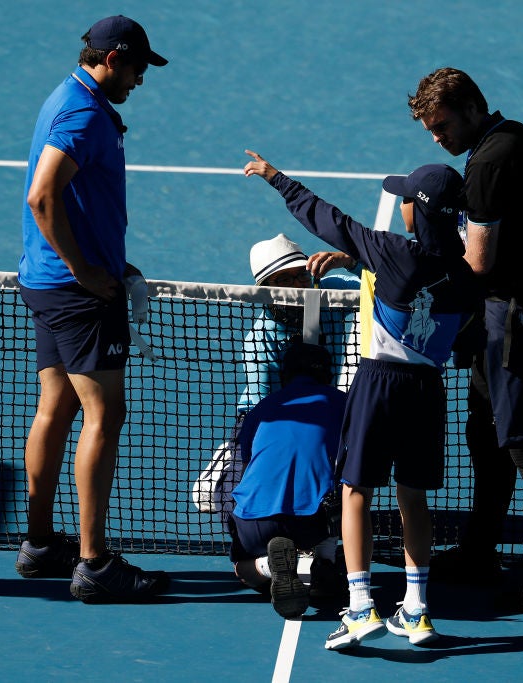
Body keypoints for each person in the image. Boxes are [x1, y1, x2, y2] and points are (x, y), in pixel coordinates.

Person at [244, 150, 480, 650]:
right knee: (412, 499)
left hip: (377, 385)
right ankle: (416, 611)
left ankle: (359, 609)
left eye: (403, 199)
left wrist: (276, 178)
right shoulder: (464, 279)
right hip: (427, 391)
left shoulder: (390, 250)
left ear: (416, 211)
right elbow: (464, 340)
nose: (398, 206)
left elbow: (324, 217)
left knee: (356, 493)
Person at [407, 67, 523, 611]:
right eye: (430, 132)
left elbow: (478, 261)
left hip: (513, 324)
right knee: (485, 436)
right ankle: (478, 551)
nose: (438, 139)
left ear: (471, 108)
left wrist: (416, 263)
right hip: (512, 317)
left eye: (442, 126)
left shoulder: (488, 163)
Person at [14, 15, 170, 604]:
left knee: (54, 406)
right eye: (135, 68)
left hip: (46, 285)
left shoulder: (68, 95)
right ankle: (94, 562)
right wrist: (86, 270)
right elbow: (43, 194)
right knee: (105, 415)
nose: (139, 80)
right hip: (77, 294)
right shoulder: (82, 113)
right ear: (111, 58)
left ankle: (38, 545)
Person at [191, 235, 359, 519]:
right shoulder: (260, 338)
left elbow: (386, 287)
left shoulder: (330, 293)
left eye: (300, 274)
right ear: (266, 288)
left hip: (326, 406)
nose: (297, 285)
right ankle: (225, 468)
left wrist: (351, 262)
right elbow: (264, 412)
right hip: (266, 414)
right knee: (226, 497)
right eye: (285, 279)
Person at [228, 342, 348, 619]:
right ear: (328, 375)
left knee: (242, 571)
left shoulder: (261, 407)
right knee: (352, 485)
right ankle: (324, 560)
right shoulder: (344, 403)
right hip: (315, 522)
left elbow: (247, 463)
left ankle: (268, 566)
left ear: (285, 375)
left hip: (255, 523)